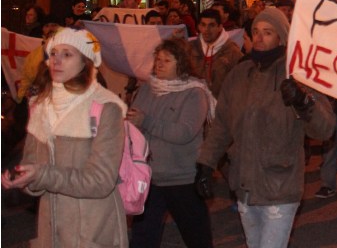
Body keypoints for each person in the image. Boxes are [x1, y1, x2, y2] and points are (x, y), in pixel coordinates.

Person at [195, 7, 335, 248]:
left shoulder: (296, 75)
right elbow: (222, 126)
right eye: (256, 31)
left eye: (267, 33)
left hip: (279, 185)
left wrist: (304, 102)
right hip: (244, 182)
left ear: (281, 36)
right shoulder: (240, 74)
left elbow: (325, 129)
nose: (259, 38)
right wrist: (205, 164)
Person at [1, 28, 129, 247]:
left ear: (85, 62)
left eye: (67, 54)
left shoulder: (105, 108)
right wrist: (24, 179)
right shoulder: (42, 105)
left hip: (92, 232)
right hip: (49, 233)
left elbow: (100, 181)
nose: (56, 60)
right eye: (53, 53)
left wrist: (41, 174)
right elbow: (33, 167)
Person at [127, 37, 215, 248]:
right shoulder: (148, 88)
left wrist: (146, 121)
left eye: (167, 60)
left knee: (196, 237)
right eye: (158, 59)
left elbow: (184, 132)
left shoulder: (194, 93)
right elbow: (134, 124)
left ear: (181, 63)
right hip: (149, 177)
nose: (159, 64)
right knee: (142, 238)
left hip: (181, 178)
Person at [190, 9, 243, 99]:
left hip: (221, 106)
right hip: (196, 104)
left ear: (220, 27)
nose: (207, 30)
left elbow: (242, 83)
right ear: (198, 27)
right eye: (203, 25)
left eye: (212, 25)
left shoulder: (232, 51)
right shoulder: (191, 48)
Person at [16, 15, 62, 104]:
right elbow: (26, 79)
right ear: (43, 30)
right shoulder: (33, 55)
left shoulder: (71, 52)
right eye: (47, 26)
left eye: (54, 25)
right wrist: (20, 99)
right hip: (38, 102)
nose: (50, 28)